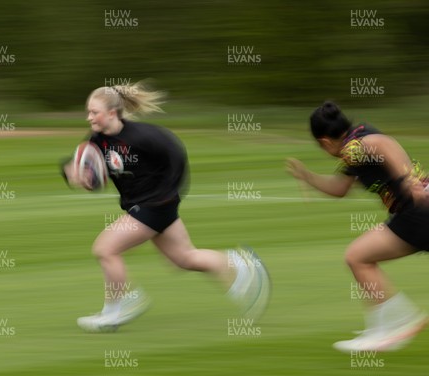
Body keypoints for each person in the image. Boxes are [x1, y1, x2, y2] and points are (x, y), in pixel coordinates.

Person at [62, 81, 271, 332]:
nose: (89, 117)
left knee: (105, 249)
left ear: (111, 113)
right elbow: (87, 167)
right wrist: (74, 174)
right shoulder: (98, 140)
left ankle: (117, 309)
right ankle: (242, 265)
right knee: (184, 259)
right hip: (146, 206)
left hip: (155, 205)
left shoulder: (143, 136)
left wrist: (168, 193)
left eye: (94, 112)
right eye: (88, 111)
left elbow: (176, 154)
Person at [287, 100, 429, 352]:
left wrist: (409, 180)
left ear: (324, 142)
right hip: (415, 212)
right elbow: (339, 189)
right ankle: (383, 327)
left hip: (417, 211)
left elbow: (384, 144)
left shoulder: (356, 145)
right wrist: (307, 177)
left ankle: (393, 324)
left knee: (357, 257)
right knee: (359, 257)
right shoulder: (356, 140)